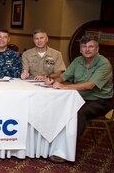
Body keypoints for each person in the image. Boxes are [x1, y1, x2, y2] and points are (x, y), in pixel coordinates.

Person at [45, 35, 112, 163]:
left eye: (91, 46)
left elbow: (90, 85)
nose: (87, 49)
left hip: (100, 101)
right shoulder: (77, 60)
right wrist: (53, 81)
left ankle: (65, 151)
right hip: (78, 96)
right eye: (84, 46)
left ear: (97, 49)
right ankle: (52, 143)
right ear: (80, 49)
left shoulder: (104, 63)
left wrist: (64, 87)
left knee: (77, 113)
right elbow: (64, 77)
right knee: (56, 106)